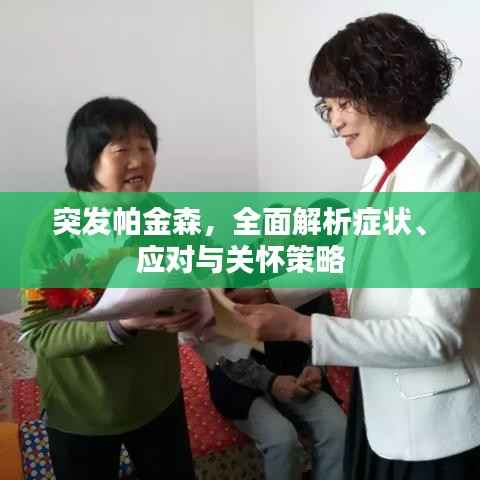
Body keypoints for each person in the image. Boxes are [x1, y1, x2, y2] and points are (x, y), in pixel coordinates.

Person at [232, 13, 480, 480]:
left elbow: (437, 336)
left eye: (342, 103)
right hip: (386, 395)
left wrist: (303, 329)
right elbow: (358, 258)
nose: (335, 121)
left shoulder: (445, 178)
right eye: (327, 107)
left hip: (433, 422)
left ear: (389, 90)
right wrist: (270, 292)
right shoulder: (387, 165)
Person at [20, 97, 200, 479]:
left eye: (146, 148)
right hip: (83, 412)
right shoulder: (52, 232)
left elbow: (199, 264)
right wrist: (120, 326)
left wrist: (198, 302)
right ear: (87, 159)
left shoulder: (159, 212)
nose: (139, 161)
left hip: (158, 399)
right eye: (122, 150)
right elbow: (40, 335)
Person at [205, 290, 345, 480]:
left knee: (337, 428)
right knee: (281, 439)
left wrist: (316, 367)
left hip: (296, 369)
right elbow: (219, 349)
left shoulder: (311, 278)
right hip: (238, 382)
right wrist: (271, 382)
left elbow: (323, 329)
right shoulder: (220, 279)